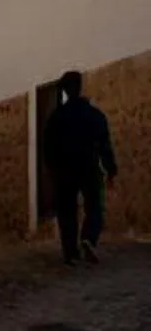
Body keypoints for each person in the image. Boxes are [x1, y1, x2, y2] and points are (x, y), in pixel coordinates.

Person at [42, 70, 118, 264]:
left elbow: (48, 146)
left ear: (66, 91)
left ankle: (71, 253)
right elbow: (104, 144)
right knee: (94, 207)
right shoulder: (94, 116)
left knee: (66, 211)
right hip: (89, 166)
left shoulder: (57, 117)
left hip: (65, 170)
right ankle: (89, 237)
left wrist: (52, 168)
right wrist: (110, 169)